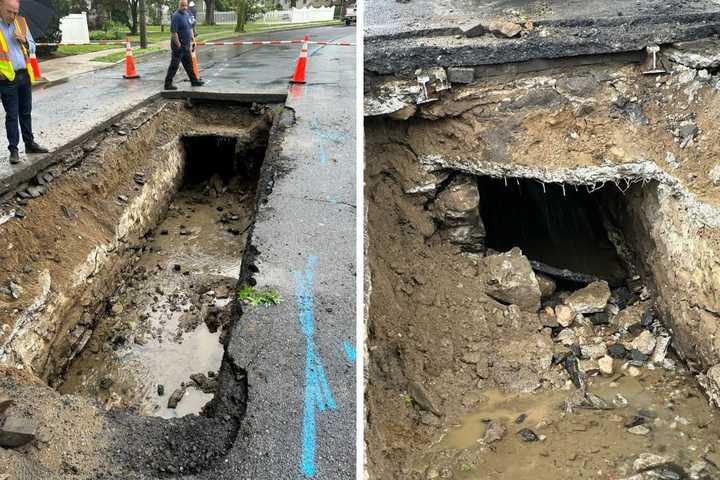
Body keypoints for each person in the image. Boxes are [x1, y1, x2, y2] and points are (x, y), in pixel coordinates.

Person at [0, 0, 48, 165]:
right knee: (12, 115)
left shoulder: (20, 22)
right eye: (9, 12)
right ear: (0, 7)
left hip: (24, 75)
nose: (13, 15)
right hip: (7, 79)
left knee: (26, 112)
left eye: (15, 12)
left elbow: (33, 46)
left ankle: (29, 144)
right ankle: (13, 150)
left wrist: (25, 41)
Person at [164, 0, 204, 91]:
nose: (184, 7)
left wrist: (193, 40)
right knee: (174, 65)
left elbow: (189, 28)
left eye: (186, 5)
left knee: (189, 64)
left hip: (186, 45)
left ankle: (194, 81)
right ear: (179, 5)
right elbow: (174, 33)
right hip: (178, 46)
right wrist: (178, 46)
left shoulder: (187, 14)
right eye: (182, 5)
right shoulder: (176, 16)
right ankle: (168, 84)